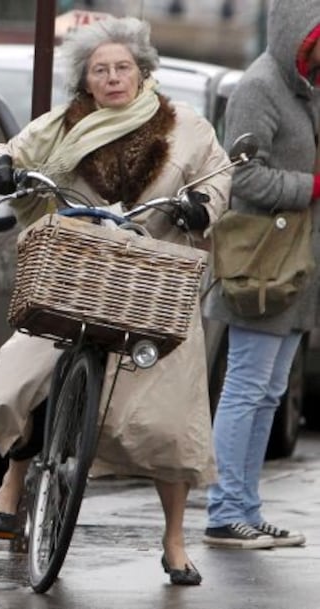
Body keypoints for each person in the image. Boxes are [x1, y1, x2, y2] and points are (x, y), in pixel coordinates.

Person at [0, 16, 232, 585]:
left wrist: (201, 209)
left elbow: (216, 177)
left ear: (143, 72)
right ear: (85, 81)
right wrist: (0, 171)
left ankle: (175, 539)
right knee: (27, 366)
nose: (113, 78)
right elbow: (8, 151)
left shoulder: (187, 123)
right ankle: (13, 485)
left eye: (123, 68)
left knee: (173, 416)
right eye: (100, 70)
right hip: (78, 268)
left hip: (155, 278)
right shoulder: (64, 123)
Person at [202, 0, 320, 550]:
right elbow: (242, 175)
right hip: (263, 265)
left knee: (268, 392)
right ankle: (226, 510)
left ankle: (245, 506)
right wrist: (310, 188)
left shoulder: (306, 87)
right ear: (301, 32)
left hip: (295, 267)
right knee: (247, 389)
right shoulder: (260, 87)